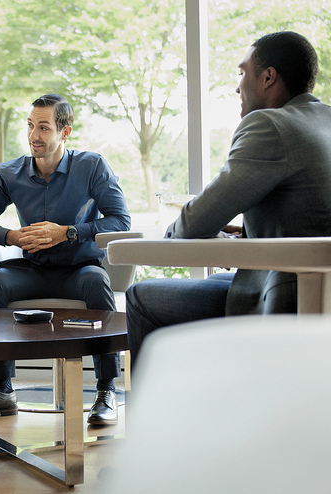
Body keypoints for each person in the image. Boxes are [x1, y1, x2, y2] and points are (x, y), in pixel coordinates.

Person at [126, 31, 331, 367]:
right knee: (216, 281)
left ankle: (160, 419)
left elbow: (191, 226)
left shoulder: (269, 126)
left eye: (242, 73)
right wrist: (245, 238)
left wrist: (186, 229)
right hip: (321, 294)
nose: (238, 87)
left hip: (288, 300)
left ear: (268, 78)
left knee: (140, 297)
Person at [0, 93, 131, 425]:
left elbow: (120, 220)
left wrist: (68, 232)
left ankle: (105, 390)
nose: (34, 136)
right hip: (32, 269)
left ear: (64, 132)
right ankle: (1, 389)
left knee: (99, 283)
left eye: (43, 127)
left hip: (79, 270)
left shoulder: (91, 166)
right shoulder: (10, 173)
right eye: (30, 126)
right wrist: (10, 236)